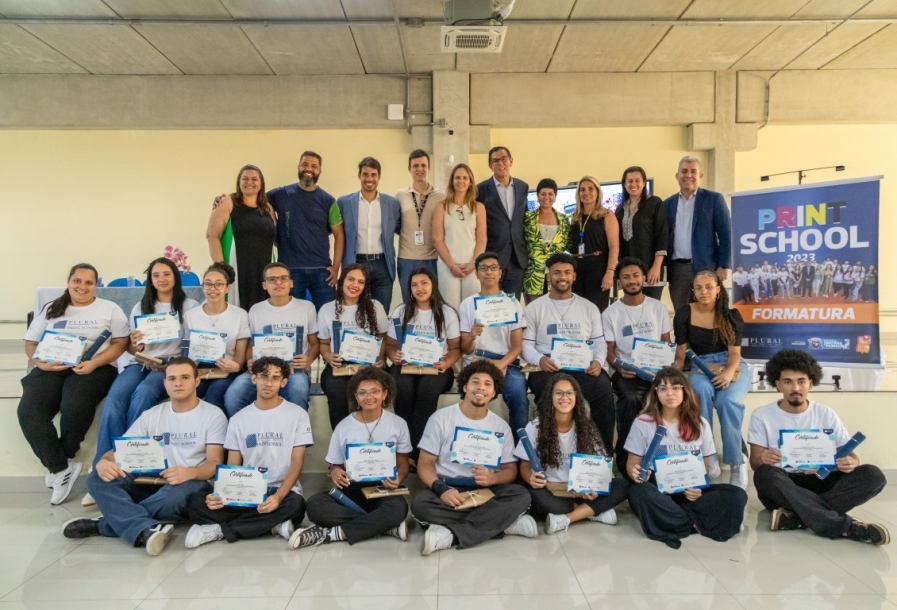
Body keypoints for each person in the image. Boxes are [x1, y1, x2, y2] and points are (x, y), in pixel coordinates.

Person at [62, 358, 227, 555]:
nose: (178, 383)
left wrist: (189, 473)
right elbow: (121, 450)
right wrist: (104, 462)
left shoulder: (213, 415)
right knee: (96, 478)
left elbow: (214, 464)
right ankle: (145, 526)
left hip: (192, 480)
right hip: (153, 474)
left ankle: (107, 524)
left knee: (171, 497)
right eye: (172, 378)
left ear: (197, 381)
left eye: (185, 377)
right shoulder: (152, 414)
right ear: (164, 383)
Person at [90, 257, 199, 506]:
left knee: (144, 393)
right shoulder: (141, 306)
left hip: (170, 364)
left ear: (175, 277)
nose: (161, 279)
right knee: (115, 397)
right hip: (142, 362)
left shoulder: (190, 306)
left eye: (166, 274)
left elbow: (192, 343)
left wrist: (173, 364)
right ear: (150, 280)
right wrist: (136, 344)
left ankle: (131, 462)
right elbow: (132, 347)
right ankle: (103, 467)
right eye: (156, 275)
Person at [749, 350, 888, 544]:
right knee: (764, 474)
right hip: (786, 484)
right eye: (788, 382)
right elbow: (755, 463)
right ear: (777, 384)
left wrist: (852, 462)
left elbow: (852, 455)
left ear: (811, 383)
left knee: (874, 475)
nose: (795, 388)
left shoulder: (826, 413)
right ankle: (845, 527)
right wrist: (762, 459)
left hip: (822, 479)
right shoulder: (762, 415)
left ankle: (798, 517)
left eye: (801, 381)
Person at [19, 263, 129, 505]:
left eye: (89, 282)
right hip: (52, 367)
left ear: (96, 285)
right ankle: (60, 468)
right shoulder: (52, 308)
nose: (82, 287)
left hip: (95, 368)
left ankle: (64, 457)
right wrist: (41, 364)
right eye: (77, 281)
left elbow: (121, 343)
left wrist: (94, 363)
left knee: (75, 404)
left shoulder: (109, 308)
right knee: (29, 411)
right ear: (68, 281)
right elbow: (31, 343)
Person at [185, 357, 312, 548]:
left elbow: (296, 463)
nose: (268, 383)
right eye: (263, 377)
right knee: (196, 504)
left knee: (296, 506)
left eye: (275, 378)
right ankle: (271, 525)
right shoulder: (238, 419)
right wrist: (221, 494)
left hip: (282, 491)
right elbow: (233, 466)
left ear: (284, 382)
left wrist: (278, 497)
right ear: (254, 379)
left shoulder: (298, 415)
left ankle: (220, 530)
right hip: (247, 492)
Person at [412, 360, 536, 555]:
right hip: (449, 487)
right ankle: (501, 524)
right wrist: (441, 490)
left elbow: (510, 470)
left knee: (521, 495)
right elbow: (425, 465)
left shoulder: (500, 426)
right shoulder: (440, 418)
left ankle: (451, 534)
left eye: (488, 384)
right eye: (475, 382)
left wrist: (492, 478)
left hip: (485, 489)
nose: (481, 388)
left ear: (494, 392)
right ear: (465, 387)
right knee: (420, 504)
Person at [625, 367, 747, 549]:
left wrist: (697, 488)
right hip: (658, 490)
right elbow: (632, 464)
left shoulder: (700, 423)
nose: (670, 393)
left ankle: (676, 520)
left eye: (675, 387)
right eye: (663, 388)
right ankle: (697, 521)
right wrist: (635, 473)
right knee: (639, 492)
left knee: (737, 495)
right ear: (656, 393)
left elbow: (704, 467)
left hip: (689, 490)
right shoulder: (643, 422)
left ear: (685, 391)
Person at [291, 367, 411, 548]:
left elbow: (403, 464)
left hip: (383, 488)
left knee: (398, 508)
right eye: (362, 392)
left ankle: (335, 533)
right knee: (315, 505)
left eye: (375, 391)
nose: (368, 397)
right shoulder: (344, 426)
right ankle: (383, 525)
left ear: (385, 394)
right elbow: (335, 465)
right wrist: (335, 472)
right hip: (352, 489)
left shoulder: (398, 424)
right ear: (356, 397)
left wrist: (398, 480)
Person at [523, 253, 615, 450]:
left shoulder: (589, 307)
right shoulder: (534, 308)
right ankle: (548, 450)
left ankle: (603, 453)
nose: (562, 277)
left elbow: (599, 342)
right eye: (556, 272)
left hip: (583, 367)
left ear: (574, 276)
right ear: (549, 276)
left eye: (567, 272)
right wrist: (540, 360)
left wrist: (598, 361)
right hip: (548, 368)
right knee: (545, 391)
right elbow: (526, 345)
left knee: (603, 390)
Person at [516, 374, 629, 534]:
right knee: (533, 495)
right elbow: (525, 465)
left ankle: (567, 518)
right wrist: (530, 478)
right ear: (550, 397)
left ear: (577, 397)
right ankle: (592, 512)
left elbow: (600, 465)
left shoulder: (587, 426)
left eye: (569, 392)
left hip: (580, 492)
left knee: (622, 485)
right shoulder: (535, 427)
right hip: (551, 490)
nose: (564, 397)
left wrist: (595, 487)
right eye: (558, 393)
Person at [673, 270, 750, 489]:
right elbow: (681, 354)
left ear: (718, 289)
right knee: (700, 393)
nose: (704, 291)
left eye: (709, 287)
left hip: (731, 364)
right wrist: (671, 375)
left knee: (727, 401)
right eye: (699, 287)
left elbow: (735, 354)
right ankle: (709, 456)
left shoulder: (731, 315)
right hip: (701, 364)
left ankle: (737, 463)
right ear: (693, 290)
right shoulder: (684, 313)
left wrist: (728, 373)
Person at [603, 258, 673, 472]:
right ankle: (626, 462)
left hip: (657, 372)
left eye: (635, 276)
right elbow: (609, 351)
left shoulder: (658, 308)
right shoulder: (610, 313)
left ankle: (666, 461)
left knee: (673, 395)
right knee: (631, 398)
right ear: (619, 281)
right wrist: (619, 367)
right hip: (628, 373)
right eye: (626, 277)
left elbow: (667, 342)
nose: (632, 281)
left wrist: (664, 367)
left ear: (644, 278)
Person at [222, 262, 319, 418]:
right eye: (272, 279)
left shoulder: (307, 307)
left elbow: (315, 344)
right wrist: (250, 360)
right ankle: (247, 430)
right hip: (262, 369)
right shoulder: (256, 310)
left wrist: (308, 360)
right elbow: (250, 346)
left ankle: (294, 432)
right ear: (264, 285)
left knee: (298, 392)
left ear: (291, 283)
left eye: (283, 278)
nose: (278, 282)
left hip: (294, 370)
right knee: (233, 396)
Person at [386, 268, 461, 469]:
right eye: (414, 285)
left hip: (437, 367)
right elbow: (390, 345)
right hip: (405, 366)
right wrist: (394, 356)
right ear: (409, 289)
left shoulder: (447, 313)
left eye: (424, 283)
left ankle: (418, 453)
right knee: (403, 389)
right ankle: (404, 450)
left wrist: (446, 363)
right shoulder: (401, 311)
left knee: (427, 390)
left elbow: (456, 348)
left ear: (433, 285)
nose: (419, 288)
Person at [459, 252, 529, 442]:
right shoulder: (467, 305)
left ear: (500, 273)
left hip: (506, 362)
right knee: (473, 395)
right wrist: (472, 336)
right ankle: (472, 444)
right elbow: (465, 349)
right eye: (483, 268)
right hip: (476, 361)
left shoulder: (512, 303)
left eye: (493, 268)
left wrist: (500, 365)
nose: (488, 272)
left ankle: (520, 449)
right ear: (476, 274)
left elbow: (517, 346)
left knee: (518, 394)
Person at [268, 151, 345, 311]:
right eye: (305, 164)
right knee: (294, 317)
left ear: (320, 171)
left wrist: (336, 267)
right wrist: (271, 216)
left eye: (314, 166)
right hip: (290, 270)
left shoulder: (328, 200)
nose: (309, 169)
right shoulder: (281, 194)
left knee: (327, 316)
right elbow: (255, 197)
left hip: (322, 271)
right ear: (298, 167)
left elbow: (339, 234)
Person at [318, 264, 390, 430]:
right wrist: (328, 356)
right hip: (340, 365)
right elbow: (324, 343)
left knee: (370, 388)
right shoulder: (327, 309)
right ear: (342, 281)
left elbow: (383, 337)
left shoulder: (375, 306)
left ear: (365, 286)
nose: (355, 285)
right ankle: (342, 436)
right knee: (335, 388)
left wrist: (381, 359)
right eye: (351, 279)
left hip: (370, 365)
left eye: (360, 282)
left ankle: (371, 436)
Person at [665, 156, 732, 311]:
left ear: (700, 175)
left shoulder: (714, 199)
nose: (688, 175)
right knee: (682, 313)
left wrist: (723, 265)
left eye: (693, 171)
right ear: (677, 176)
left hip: (706, 267)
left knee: (708, 313)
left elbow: (726, 234)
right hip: (677, 270)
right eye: (684, 171)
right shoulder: (667, 204)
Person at [206, 164, 276, 309]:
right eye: (245, 179)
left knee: (264, 309)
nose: (249, 182)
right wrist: (222, 269)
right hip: (237, 268)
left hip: (264, 268)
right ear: (239, 182)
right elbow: (212, 235)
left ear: (261, 183)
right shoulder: (227, 202)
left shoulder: (268, 208)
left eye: (254, 179)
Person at [337, 157, 402, 312]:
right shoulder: (344, 203)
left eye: (373, 175)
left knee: (381, 312)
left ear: (379, 177)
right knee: (354, 310)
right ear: (359, 175)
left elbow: (401, 229)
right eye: (365, 174)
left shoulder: (392, 204)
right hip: (355, 262)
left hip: (382, 264)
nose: (369, 179)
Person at [183, 263, 250, 408]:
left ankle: (217, 424)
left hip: (227, 369)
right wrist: (191, 367)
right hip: (199, 368)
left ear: (227, 288)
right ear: (203, 287)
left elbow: (240, 356)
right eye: (208, 284)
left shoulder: (240, 315)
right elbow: (186, 350)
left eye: (219, 284)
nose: (212, 288)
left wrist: (237, 366)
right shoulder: (190, 315)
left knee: (214, 395)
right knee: (188, 393)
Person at [477, 146, 529, 298]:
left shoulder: (522, 187)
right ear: (490, 165)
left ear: (511, 161)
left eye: (503, 159)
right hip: (493, 258)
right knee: (492, 303)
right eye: (495, 161)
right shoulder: (480, 190)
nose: (500, 163)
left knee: (512, 304)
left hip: (517, 259)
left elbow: (523, 219)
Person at [433, 163, 487, 309]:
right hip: (447, 265)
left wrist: (474, 264)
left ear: (470, 182)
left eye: (465, 178)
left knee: (472, 308)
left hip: (472, 265)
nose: (461, 181)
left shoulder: (479, 207)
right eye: (457, 178)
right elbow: (438, 239)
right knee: (451, 309)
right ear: (452, 181)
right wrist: (451, 265)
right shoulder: (441, 207)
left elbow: (482, 239)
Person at [395, 149, 445, 303]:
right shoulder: (400, 195)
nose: (420, 169)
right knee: (409, 301)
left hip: (433, 258)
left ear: (429, 168)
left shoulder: (441, 197)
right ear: (409, 169)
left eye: (423, 165)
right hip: (406, 258)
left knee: (433, 302)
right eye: (415, 166)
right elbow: (396, 225)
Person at [615, 166, 668, 301]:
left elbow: (662, 236)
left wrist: (656, 267)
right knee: (632, 307)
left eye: (637, 180)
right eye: (630, 181)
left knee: (650, 308)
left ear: (644, 183)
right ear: (624, 184)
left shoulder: (655, 203)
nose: (633, 184)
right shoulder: (620, 209)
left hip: (651, 269)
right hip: (629, 273)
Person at [568, 176, 620, 312]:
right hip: (577, 268)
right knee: (577, 310)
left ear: (597, 192)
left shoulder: (607, 215)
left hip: (598, 268)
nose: (586, 193)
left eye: (591, 189)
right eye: (582, 190)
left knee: (596, 310)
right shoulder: (574, 217)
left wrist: (610, 272)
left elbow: (614, 246)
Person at [523, 178, 569, 304]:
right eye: (543, 194)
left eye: (550, 194)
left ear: (555, 196)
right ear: (537, 196)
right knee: (533, 312)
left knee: (554, 311)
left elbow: (567, 244)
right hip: (533, 276)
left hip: (556, 276)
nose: (546, 197)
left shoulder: (564, 220)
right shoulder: (528, 218)